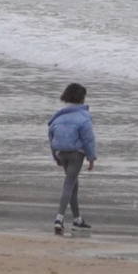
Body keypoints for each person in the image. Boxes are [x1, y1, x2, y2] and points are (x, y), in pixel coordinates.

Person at [48, 82, 96, 235]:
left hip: (61, 152)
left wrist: (55, 155)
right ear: (82, 98)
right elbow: (88, 139)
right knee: (69, 184)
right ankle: (59, 218)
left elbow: (51, 136)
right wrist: (91, 157)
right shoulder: (84, 117)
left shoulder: (58, 117)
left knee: (73, 184)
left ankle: (77, 219)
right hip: (76, 154)